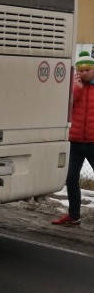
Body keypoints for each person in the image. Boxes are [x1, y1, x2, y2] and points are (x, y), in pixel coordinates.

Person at [53, 50, 94, 227]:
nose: (84, 73)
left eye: (88, 70)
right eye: (81, 70)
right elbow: (65, 107)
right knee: (70, 179)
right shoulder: (74, 86)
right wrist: (76, 90)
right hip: (75, 141)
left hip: (93, 142)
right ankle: (74, 215)